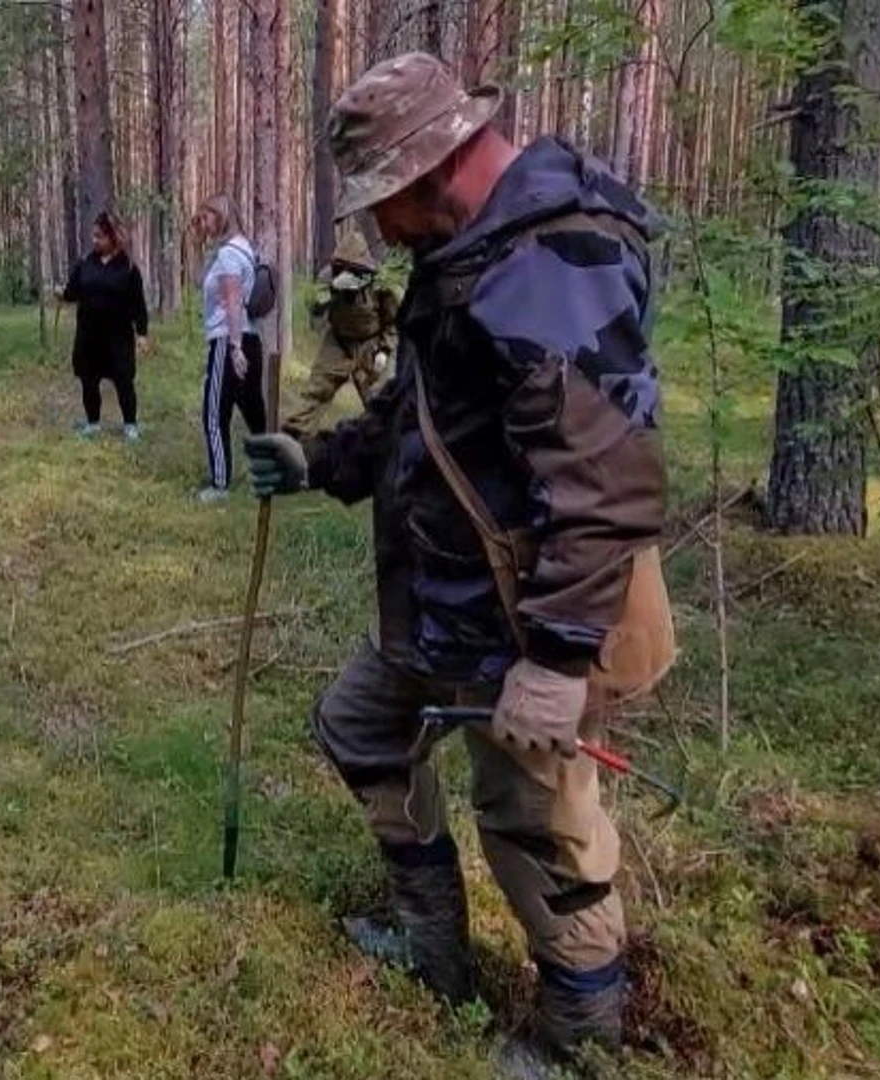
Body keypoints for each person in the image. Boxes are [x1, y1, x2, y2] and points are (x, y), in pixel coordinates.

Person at [242, 54, 666, 1069]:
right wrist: (319, 458)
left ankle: (577, 1038)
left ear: (441, 164)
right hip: (438, 601)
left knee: (539, 830)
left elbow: (604, 480)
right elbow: (421, 420)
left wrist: (560, 662)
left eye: (386, 198)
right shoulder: (467, 255)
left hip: (521, 614)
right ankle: (435, 945)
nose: (379, 228)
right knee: (358, 726)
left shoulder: (557, 257)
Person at [191, 195, 268, 503]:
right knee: (253, 411)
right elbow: (200, 282)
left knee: (214, 413)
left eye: (207, 217)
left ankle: (220, 484)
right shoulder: (239, 249)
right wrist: (197, 247)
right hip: (248, 338)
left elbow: (234, 300)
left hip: (229, 339)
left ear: (221, 217)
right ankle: (269, 470)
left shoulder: (228, 255)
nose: (203, 223)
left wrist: (234, 348)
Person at [283, 232, 398, 436]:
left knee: (381, 400)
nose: (347, 270)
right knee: (315, 391)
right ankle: (293, 439)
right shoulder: (329, 277)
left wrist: (384, 349)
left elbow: (393, 321)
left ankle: (388, 447)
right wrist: (330, 292)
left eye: (351, 266)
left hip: (370, 344)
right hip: (338, 342)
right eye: (342, 265)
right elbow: (314, 308)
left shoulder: (380, 283)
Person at [60, 211, 150, 441]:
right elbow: (73, 291)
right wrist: (62, 293)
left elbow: (138, 303)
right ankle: (93, 423)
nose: (95, 240)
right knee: (88, 378)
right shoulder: (86, 264)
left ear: (113, 238)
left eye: (100, 236)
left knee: (123, 380)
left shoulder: (128, 268)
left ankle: (130, 424)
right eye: (94, 235)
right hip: (89, 333)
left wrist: (142, 333)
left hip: (118, 335)